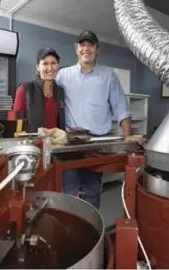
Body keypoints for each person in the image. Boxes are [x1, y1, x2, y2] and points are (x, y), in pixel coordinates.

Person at [56, 30, 146, 209]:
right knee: (68, 191)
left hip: (97, 145)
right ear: (76, 49)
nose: (86, 49)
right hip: (70, 144)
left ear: (97, 49)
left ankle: (92, 231)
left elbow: (120, 106)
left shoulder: (108, 75)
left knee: (92, 191)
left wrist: (127, 135)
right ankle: (69, 231)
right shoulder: (62, 75)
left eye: (90, 45)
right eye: (82, 44)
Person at [13, 47, 65, 132]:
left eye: (53, 63)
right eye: (45, 63)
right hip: (33, 144)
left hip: (57, 143)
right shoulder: (25, 90)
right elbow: (16, 124)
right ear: (37, 66)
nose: (50, 68)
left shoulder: (60, 92)